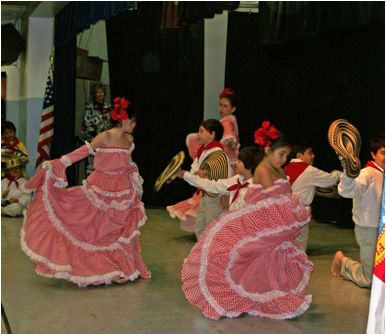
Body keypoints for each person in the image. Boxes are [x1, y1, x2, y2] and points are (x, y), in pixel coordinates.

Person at [181, 121, 313, 320]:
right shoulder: (262, 171)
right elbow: (271, 201)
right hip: (264, 225)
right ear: (268, 149)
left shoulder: (277, 170)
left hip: (273, 226)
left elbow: (281, 198)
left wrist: (293, 212)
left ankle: (265, 296)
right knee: (243, 261)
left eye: (286, 155)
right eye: (281, 154)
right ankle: (238, 298)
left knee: (266, 264)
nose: (284, 159)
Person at [21, 97, 151, 287]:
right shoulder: (105, 136)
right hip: (101, 189)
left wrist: (134, 180)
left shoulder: (129, 140)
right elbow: (83, 152)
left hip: (123, 192)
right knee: (97, 230)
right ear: (124, 118)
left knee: (119, 231)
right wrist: (60, 163)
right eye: (133, 121)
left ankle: (118, 265)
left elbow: (127, 163)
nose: (135, 125)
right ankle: (102, 268)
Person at [331, 134, 384, 288]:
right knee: (369, 280)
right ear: (373, 154)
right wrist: (349, 170)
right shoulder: (367, 173)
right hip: (368, 230)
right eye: (383, 152)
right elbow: (346, 191)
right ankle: (342, 261)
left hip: (383, 231)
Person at [168, 119, 231, 240]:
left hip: (216, 199)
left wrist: (187, 175)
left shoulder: (219, 155)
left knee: (213, 232)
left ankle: (212, 257)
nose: (198, 135)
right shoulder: (203, 151)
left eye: (201, 132)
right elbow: (194, 173)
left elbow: (219, 181)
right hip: (205, 197)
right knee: (200, 229)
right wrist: (186, 174)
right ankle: (202, 256)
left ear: (212, 134)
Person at [284, 141, 342, 251]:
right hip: (299, 212)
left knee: (286, 247)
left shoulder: (286, 168)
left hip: (284, 211)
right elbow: (330, 180)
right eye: (310, 153)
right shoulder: (308, 170)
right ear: (299, 156)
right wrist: (338, 173)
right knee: (299, 249)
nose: (313, 156)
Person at [177, 146, 261, 211]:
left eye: (239, 161)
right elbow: (212, 185)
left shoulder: (257, 189)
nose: (235, 162)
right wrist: (185, 175)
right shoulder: (237, 180)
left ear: (249, 165)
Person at [81, 82, 112, 175]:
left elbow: (110, 124)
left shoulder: (108, 107)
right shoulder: (89, 107)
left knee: (105, 166)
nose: (100, 94)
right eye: (97, 92)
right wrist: (94, 138)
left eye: (102, 92)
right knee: (92, 166)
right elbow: (86, 124)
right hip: (93, 140)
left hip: (106, 141)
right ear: (94, 94)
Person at [218, 88, 240, 175]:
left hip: (226, 161)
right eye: (220, 105)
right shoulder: (231, 120)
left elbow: (229, 137)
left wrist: (231, 144)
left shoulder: (227, 122)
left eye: (225, 106)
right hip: (230, 159)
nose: (221, 109)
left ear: (233, 109)